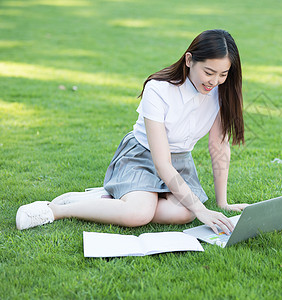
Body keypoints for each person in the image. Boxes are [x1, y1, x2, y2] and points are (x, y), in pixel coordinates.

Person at [16, 29, 248, 234]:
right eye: (209, 72)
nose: (215, 81)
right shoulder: (158, 90)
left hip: (179, 163)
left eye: (223, 74)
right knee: (138, 215)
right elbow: (161, 163)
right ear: (189, 60)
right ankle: (56, 210)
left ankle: (111, 200)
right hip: (142, 156)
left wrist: (222, 202)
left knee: (184, 213)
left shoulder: (220, 94)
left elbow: (219, 146)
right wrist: (202, 209)